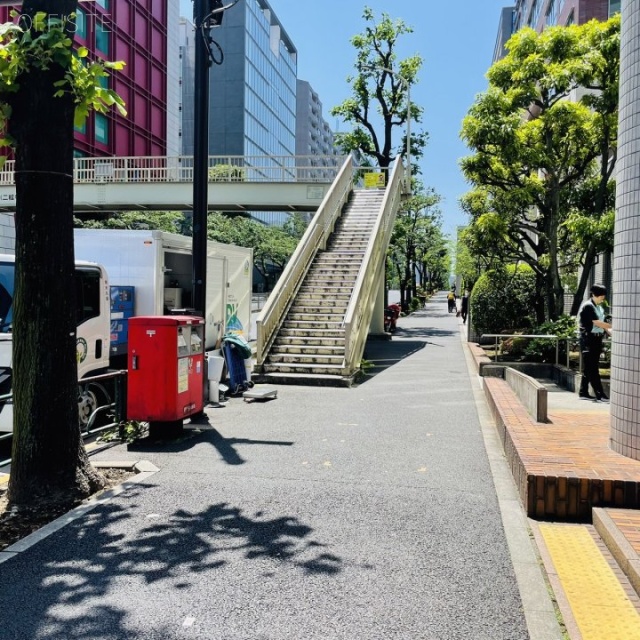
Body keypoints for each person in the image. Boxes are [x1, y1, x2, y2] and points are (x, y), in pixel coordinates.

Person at [577, 284, 612, 401]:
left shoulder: (599, 308)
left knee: (589, 367)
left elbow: (603, 325)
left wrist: (611, 332)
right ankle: (600, 394)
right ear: (594, 294)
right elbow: (597, 322)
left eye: (603, 295)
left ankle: (583, 392)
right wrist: (615, 326)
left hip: (597, 339)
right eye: (600, 295)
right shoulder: (588, 306)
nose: (602, 298)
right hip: (588, 339)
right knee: (593, 368)